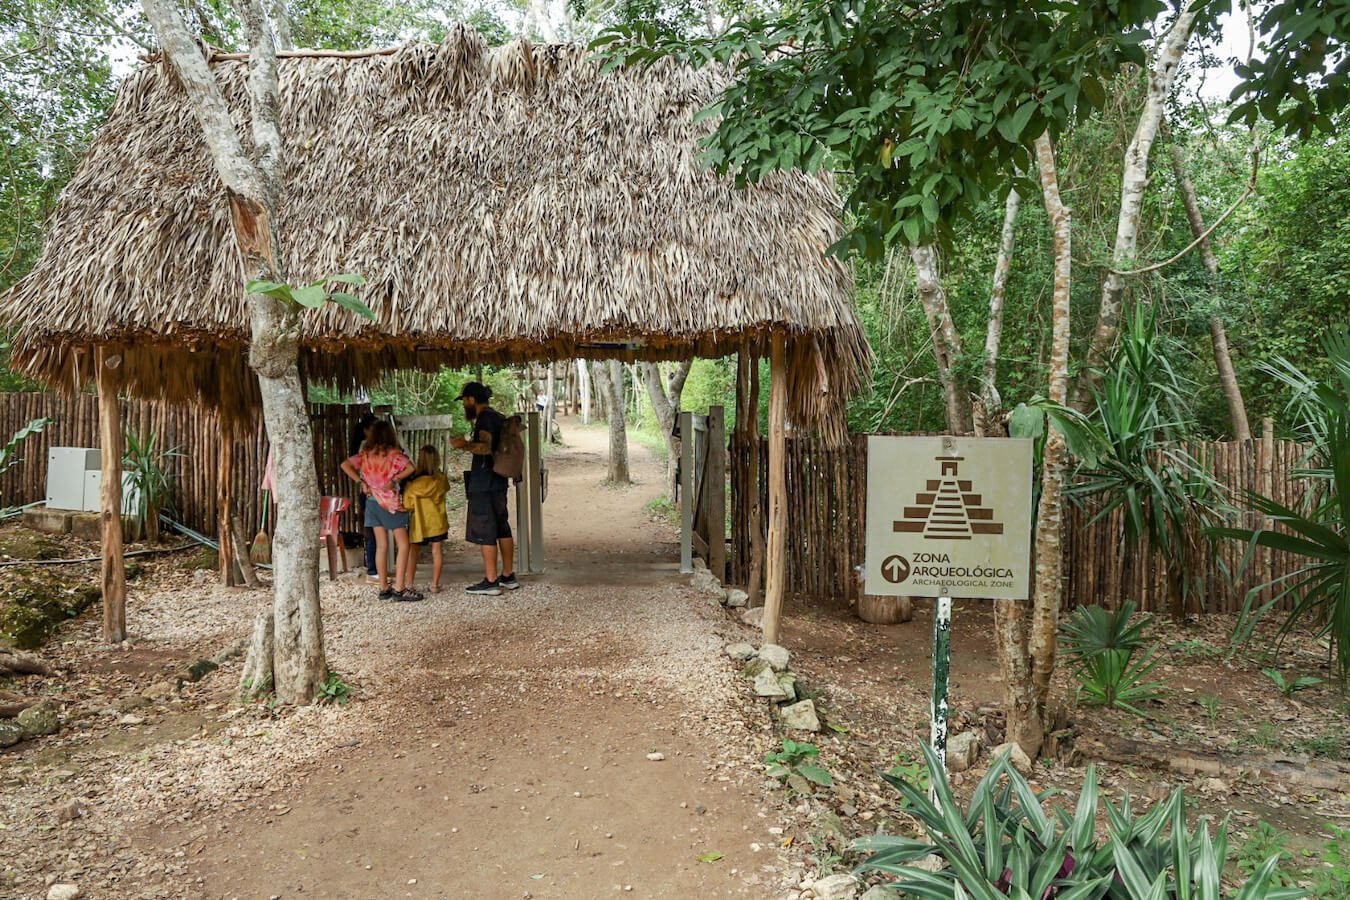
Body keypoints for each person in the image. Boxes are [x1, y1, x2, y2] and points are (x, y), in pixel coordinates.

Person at [450, 381, 519, 596]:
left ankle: (491, 581)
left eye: (464, 401)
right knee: (502, 526)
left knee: (486, 529)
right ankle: (508, 575)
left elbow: (485, 447)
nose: (464, 405)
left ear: (471, 399)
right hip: (498, 480)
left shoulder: (485, 419)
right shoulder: (497, 416)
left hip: (485, 482)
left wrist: (464, 445)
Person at [341, 421, 420, 601]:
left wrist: (361, 482)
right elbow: (412, 467)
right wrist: (395, 479)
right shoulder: (393, 454)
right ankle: (400, 588)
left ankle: (384, 587)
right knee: (404, 544)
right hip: (390, 503)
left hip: (372, 503)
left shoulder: (366, 455)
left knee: (381, 545)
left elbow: (345, 464)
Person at [403, 445, 450, 594]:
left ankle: (409, 584)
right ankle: (435, 585)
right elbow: (445, 490)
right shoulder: (441, 478)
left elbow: (407, 505)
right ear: (436, 460)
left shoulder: (412, 484)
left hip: (419, 524)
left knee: (413, 552)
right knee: (437, 551)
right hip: (437, 522)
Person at [348, 412, 379, 581]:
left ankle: (375, 567)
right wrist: (362, 481)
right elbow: (347, 465)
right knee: (373, 532)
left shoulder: (368, 446)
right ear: (367, 430)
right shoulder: (365, 447)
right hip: (370, 494)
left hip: (372, 492)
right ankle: (373, 568)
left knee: (374, 532)